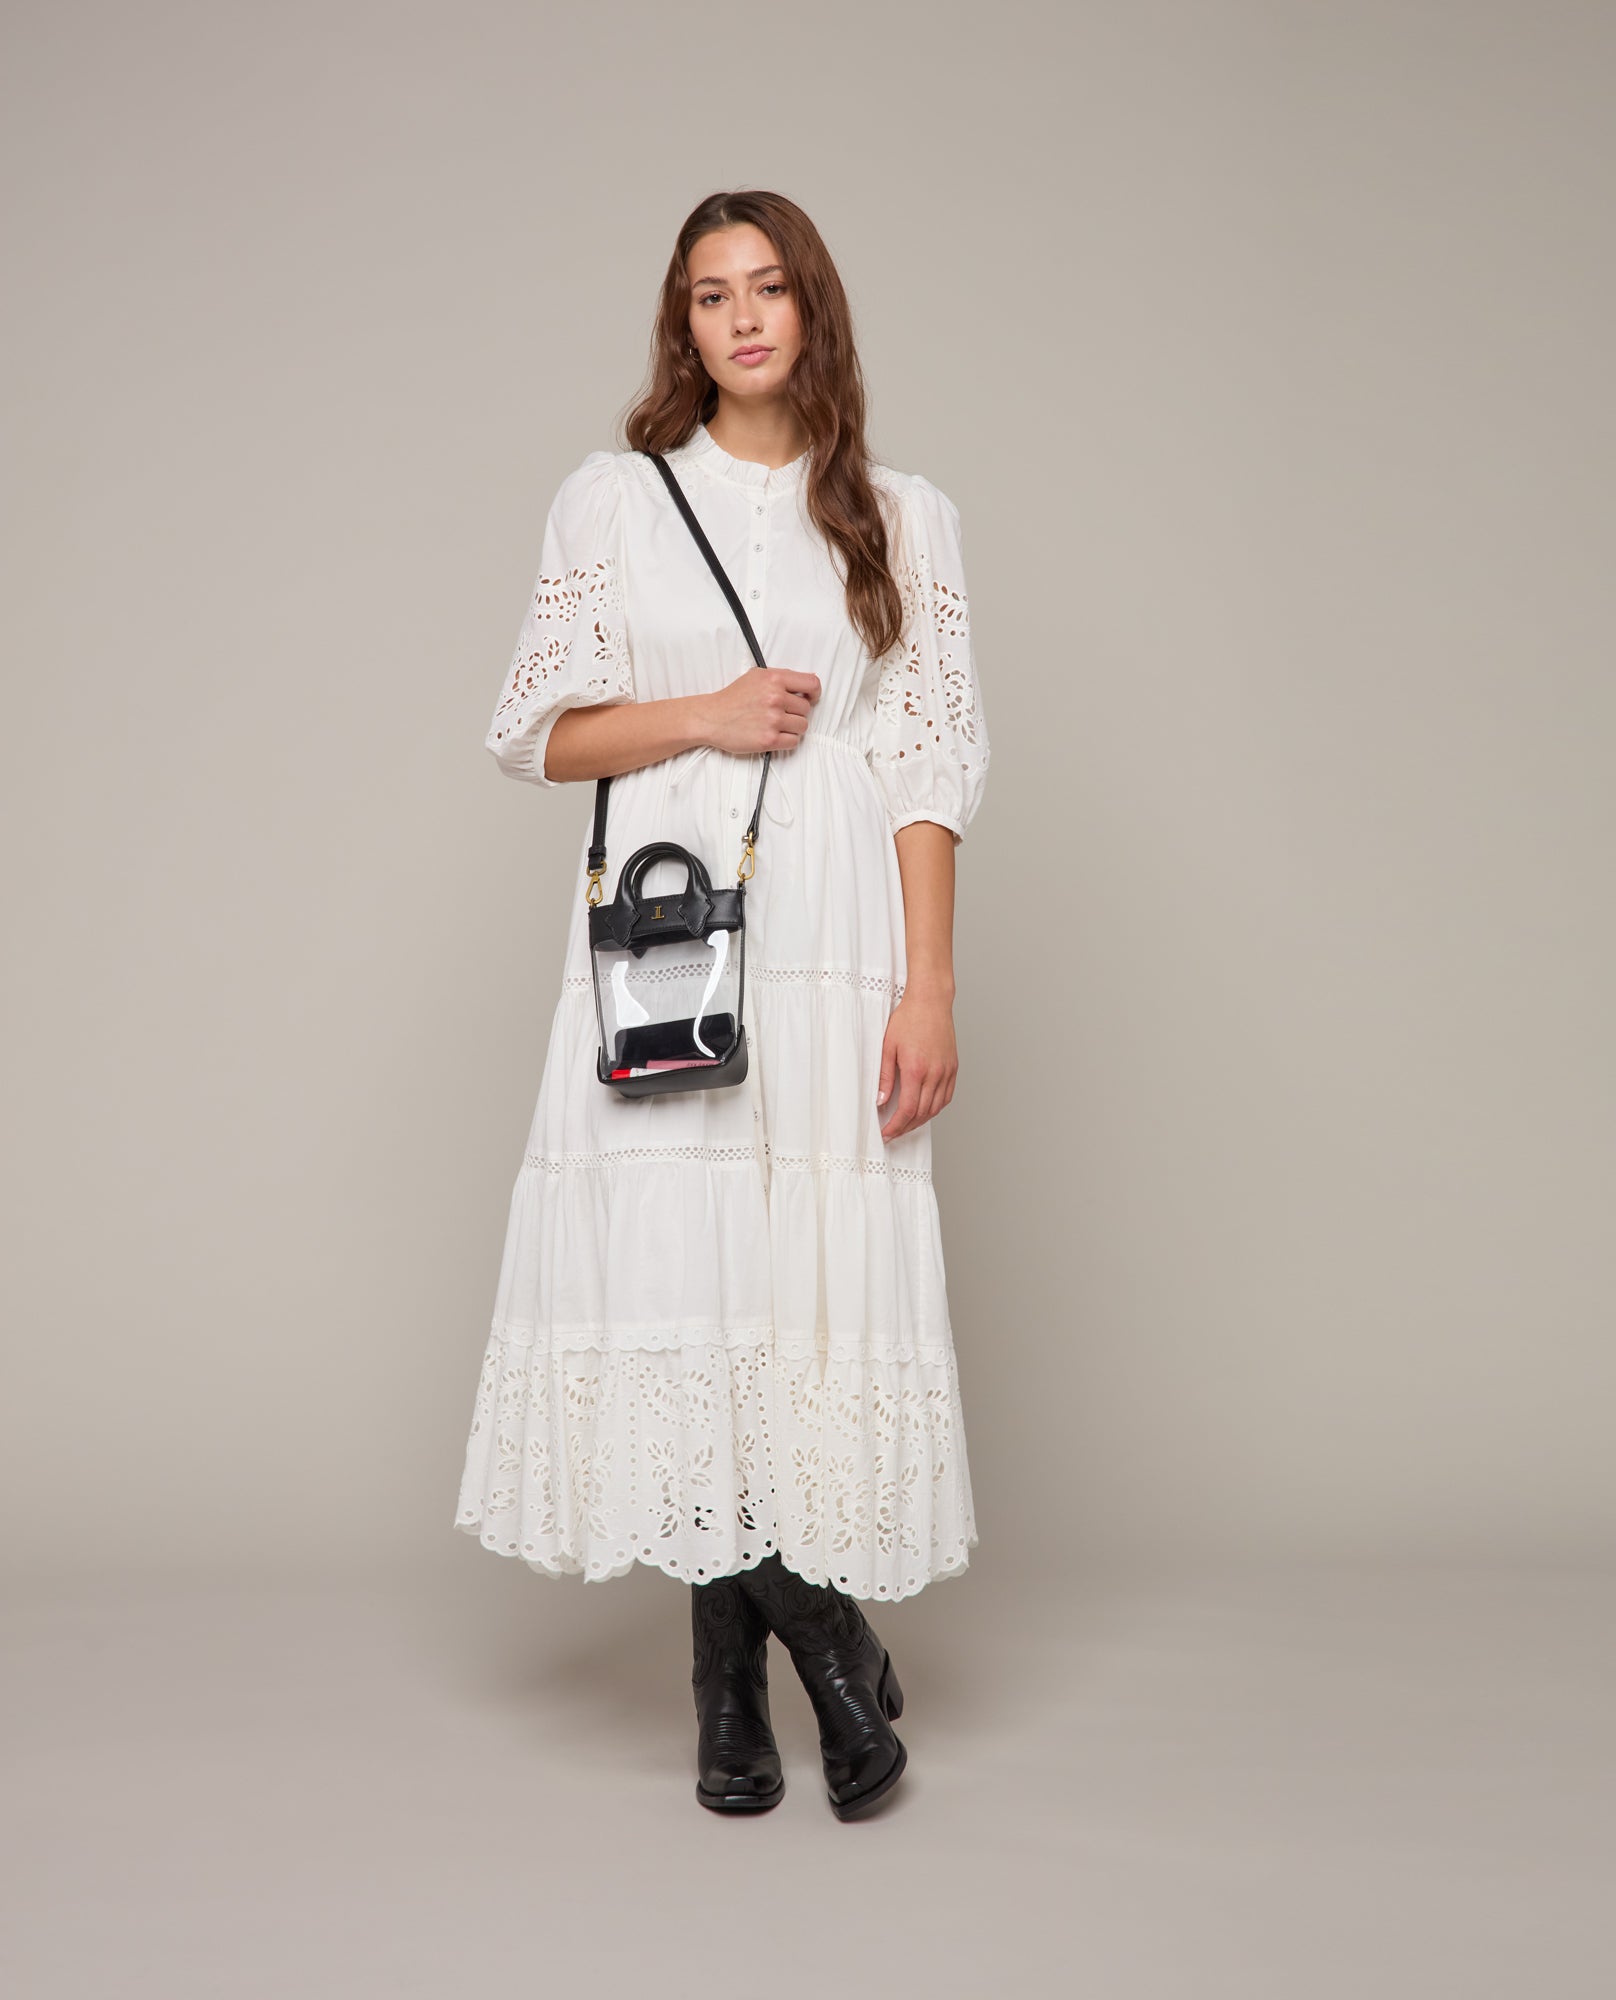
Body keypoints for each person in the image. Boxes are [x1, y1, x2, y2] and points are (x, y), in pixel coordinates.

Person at [454, 189, 991, 1820]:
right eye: (710, 294)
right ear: (681, 326)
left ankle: (730, 1698)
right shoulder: (614, 501)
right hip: (680, 937)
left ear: (812, 309)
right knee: (689, 1284)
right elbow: (535, 734)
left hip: (837, 941)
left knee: (784, 1294)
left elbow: (926, 768)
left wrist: (930, 985)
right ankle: (820, 1657)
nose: (743, 317)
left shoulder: (905, 517)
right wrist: (707, 711)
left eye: (768, 288)